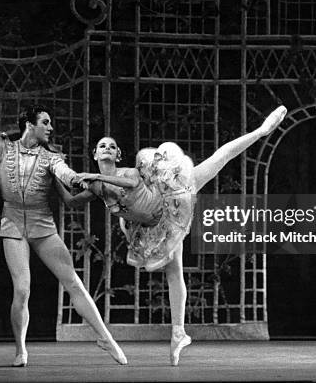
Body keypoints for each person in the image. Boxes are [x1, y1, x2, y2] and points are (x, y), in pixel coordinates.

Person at [55, 105, 287, 366]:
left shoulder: (127, 173)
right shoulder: (96, 187)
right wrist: (53, 173)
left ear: (119, 154)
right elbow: (71, 201)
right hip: (152, 227)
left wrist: (94, 175)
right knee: (173, 271)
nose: (107, 148)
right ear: (94, 153)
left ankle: (261, 130)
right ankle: (179, 333)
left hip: (173, 197)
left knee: (220, 158)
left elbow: (130, 184)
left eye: (111, 146)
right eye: (102, 145)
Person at [0, 75, 127, 367]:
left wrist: (79, 178)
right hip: (12, 225)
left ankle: (106, 338)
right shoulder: (1, 146)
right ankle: (21, 349)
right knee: (22, 288)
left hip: (42, 225)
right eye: (46, 122)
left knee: (72, 281)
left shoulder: (51, 157)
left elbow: (65, 172)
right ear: (30, 124)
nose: (50, 128)